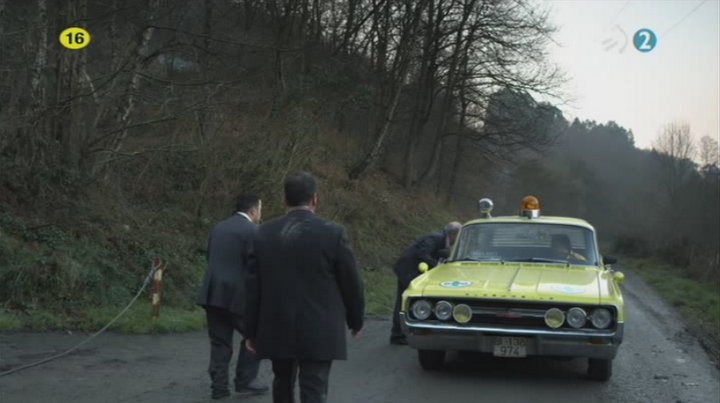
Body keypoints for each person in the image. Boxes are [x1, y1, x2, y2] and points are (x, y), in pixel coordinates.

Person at [245, 172, 365, 403]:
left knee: (281, 382)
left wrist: (251, 330)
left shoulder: (264, 233)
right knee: (314, 387)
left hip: (277, 324)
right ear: (315, 199)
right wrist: (355, 319)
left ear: (285, 200)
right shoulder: (333, 233)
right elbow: (351, 282)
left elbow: (253, 286)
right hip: (320, 327)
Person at [196, 194, 269, 400]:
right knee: (255, 335)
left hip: (213, 293)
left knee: (220, 342)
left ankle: (219, 387)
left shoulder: (218, 228)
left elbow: (211, 256)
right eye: (260, 209)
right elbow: (256, 266)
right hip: (239, 296)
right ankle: (245, 380)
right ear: (253, 210)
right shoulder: (254, 231)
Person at [389, 221, 462, 345]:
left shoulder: (441, 240)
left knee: (406, 301)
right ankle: (397, 335)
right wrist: (436, 266)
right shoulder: (436, 238)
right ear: (454, 234)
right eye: (459, 236)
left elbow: (433, 253)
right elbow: (422, 253)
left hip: (410, 269)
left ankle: (401, 332)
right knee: (405, 301)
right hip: (407, 269)